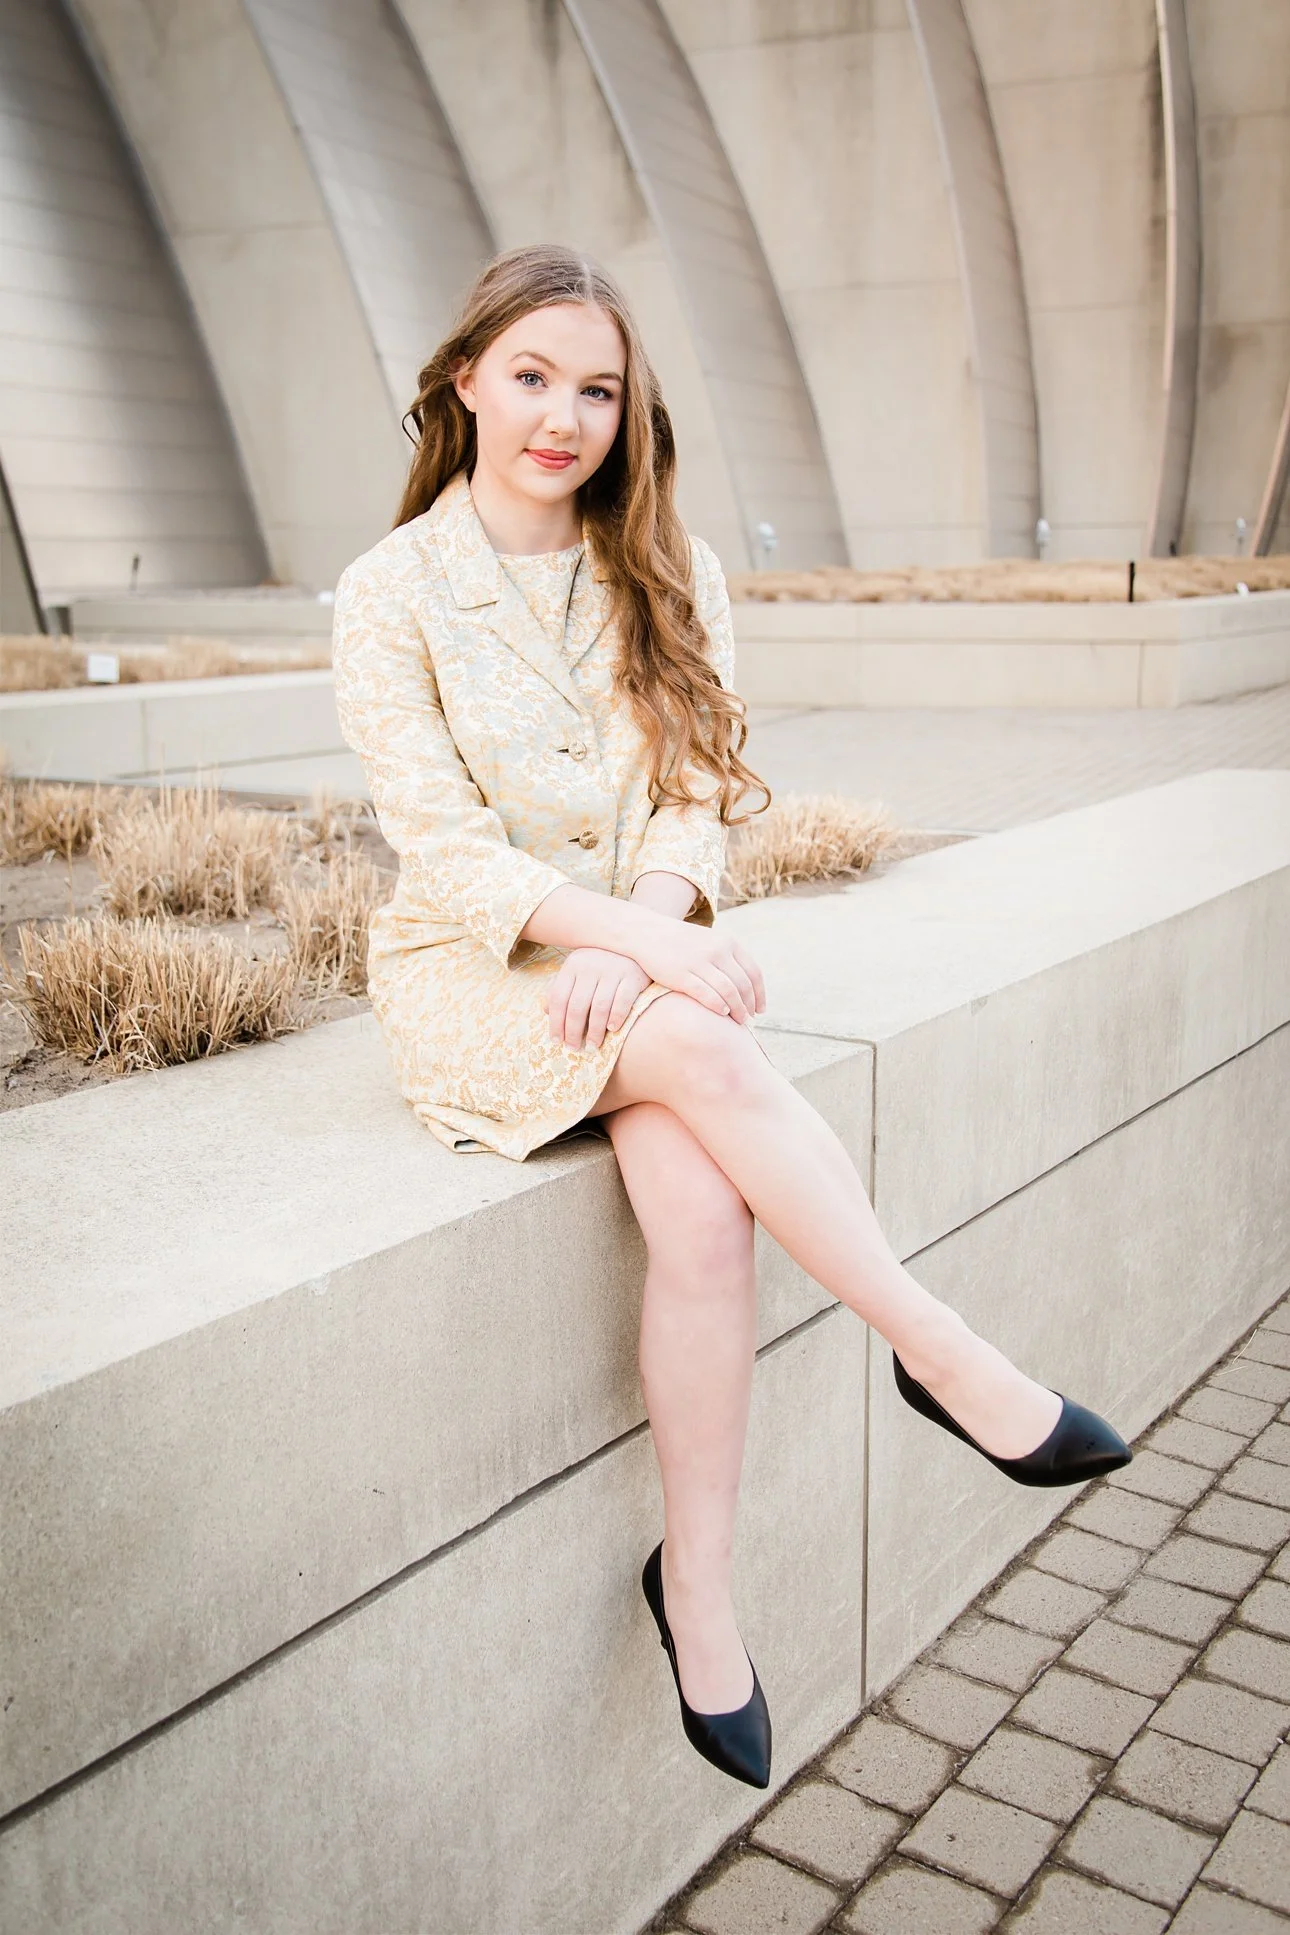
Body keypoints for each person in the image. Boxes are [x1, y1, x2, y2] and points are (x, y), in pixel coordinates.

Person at [331, 243, 1130, 1793]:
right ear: (460, 383)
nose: (564, 415)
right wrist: (634, 940)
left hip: (632, 963)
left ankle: (695, 1586)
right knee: (705, 1048)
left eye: (598, 389)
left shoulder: (668, 568)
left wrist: (653, 931)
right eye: (532, 376)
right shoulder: (389, 591)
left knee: (697, 1214)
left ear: (631, 413)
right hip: (468, 965)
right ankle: (941, 1350)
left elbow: (696, 802)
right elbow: (440, 845)